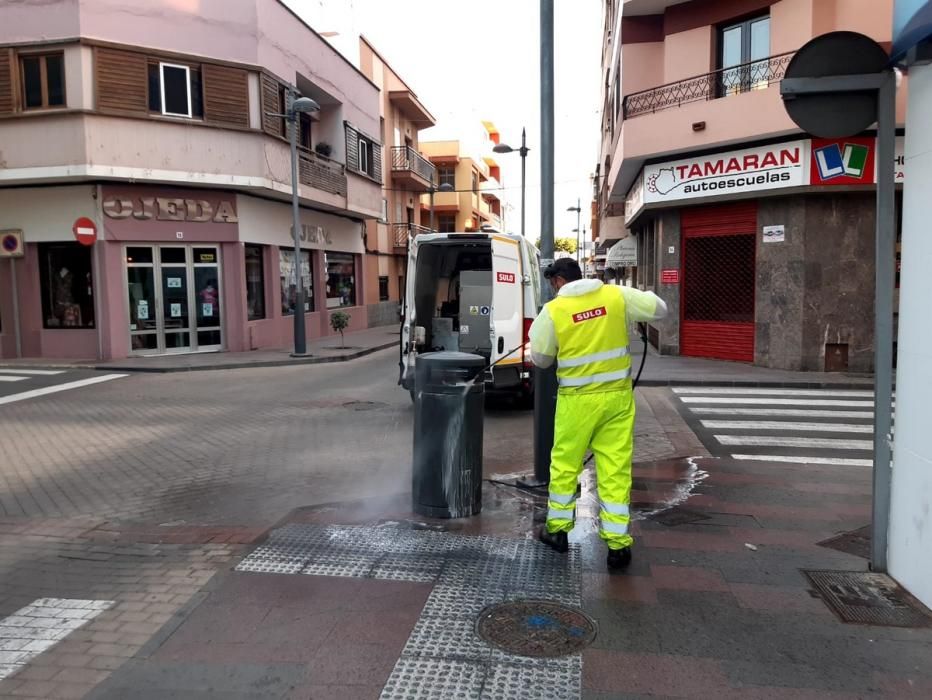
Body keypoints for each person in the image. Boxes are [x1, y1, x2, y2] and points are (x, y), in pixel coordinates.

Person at [529, 258, 668, 570]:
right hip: (617, 401)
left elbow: (540, 358)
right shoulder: (615, 295)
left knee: (565, 466)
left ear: (557, 282)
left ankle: (558, 532)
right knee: (615, 467)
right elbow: (660, 309)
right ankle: (618, 546)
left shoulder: (553, 311)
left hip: (577, 402)